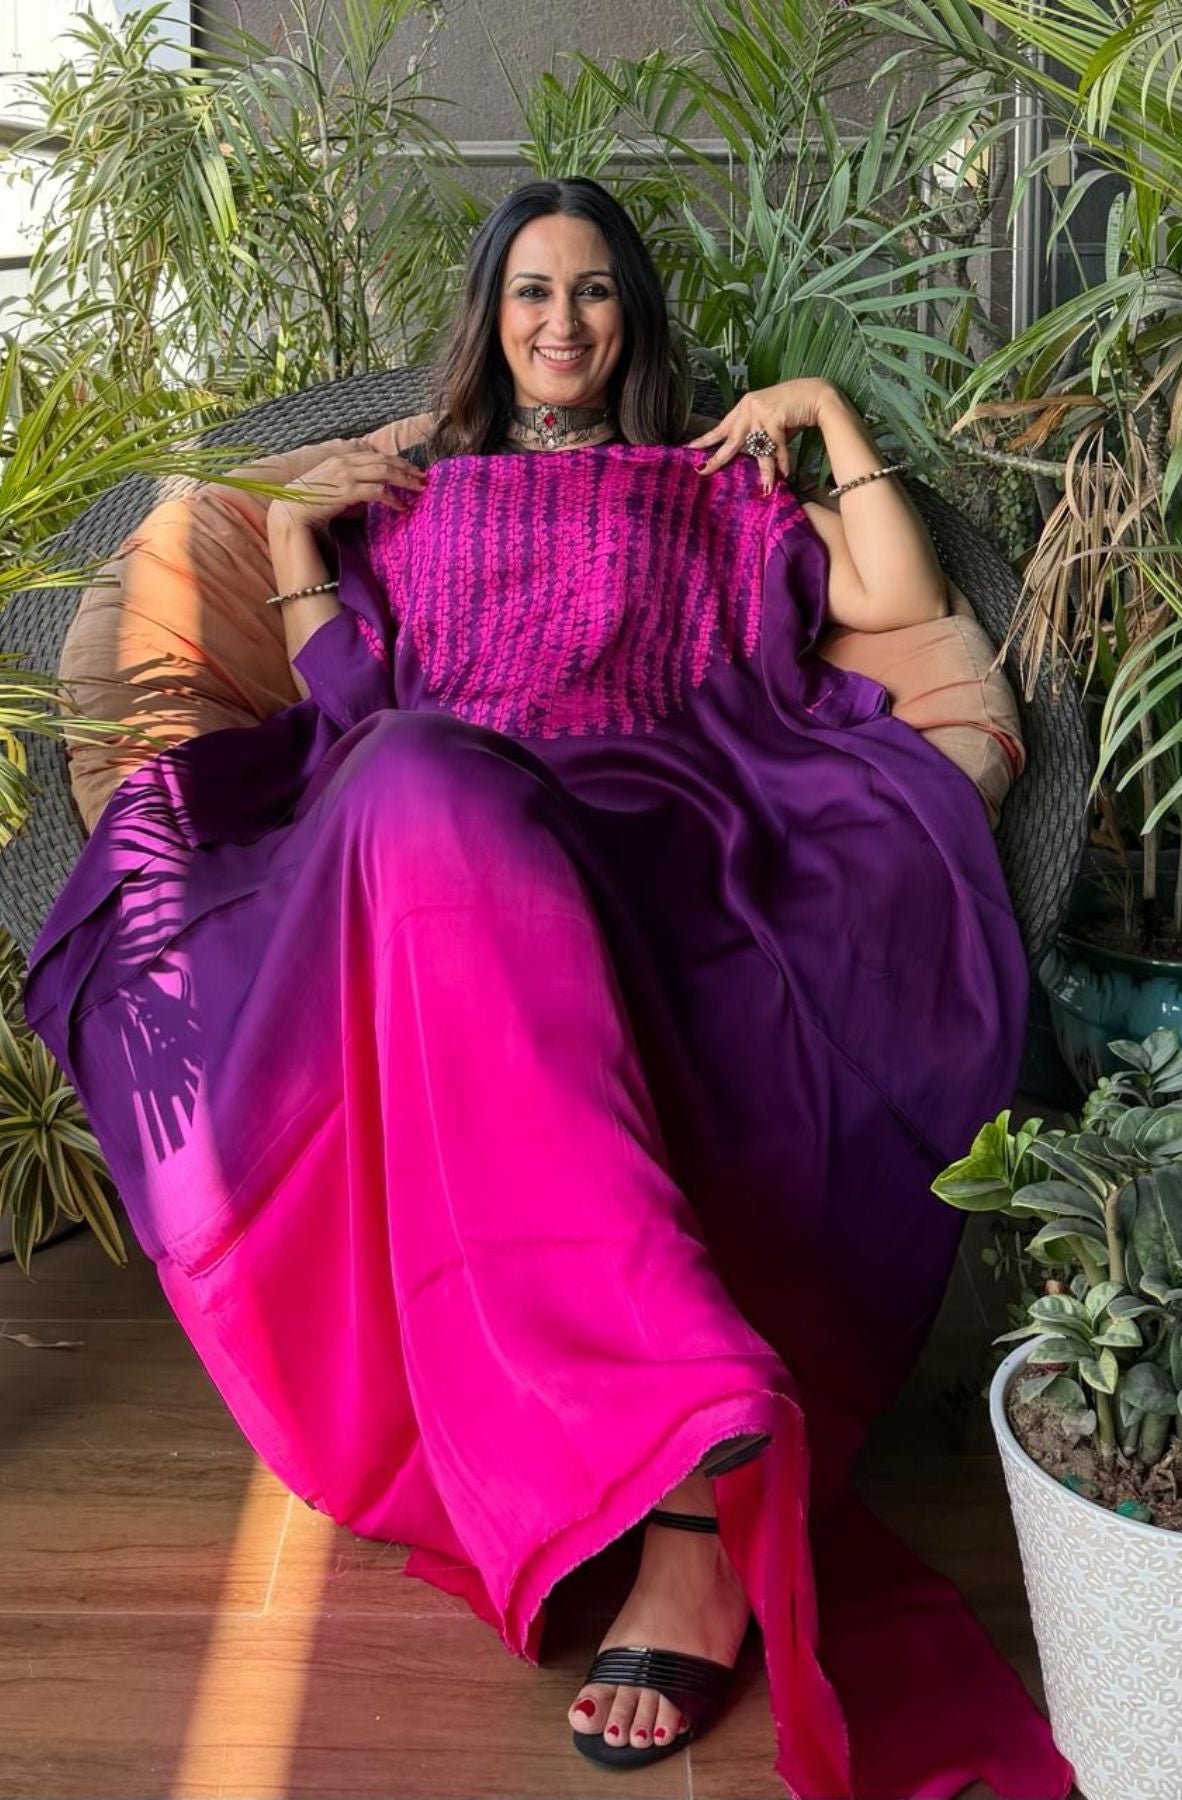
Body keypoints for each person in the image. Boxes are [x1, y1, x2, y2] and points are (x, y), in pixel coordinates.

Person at [22, 177, 1073, 1799]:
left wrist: (822, 412)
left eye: (592, 290)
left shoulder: (708, 488)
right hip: (436, 819)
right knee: (410, 771)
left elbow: (896, 602)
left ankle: (690, 1518)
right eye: (532, 290)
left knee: (461, 808)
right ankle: (667, 1431)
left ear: (629, 318)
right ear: (490, 317)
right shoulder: (412, 502)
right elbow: (348, 700)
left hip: (658, 811)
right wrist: (298, 532)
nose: (563, 320)